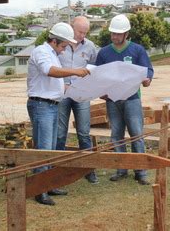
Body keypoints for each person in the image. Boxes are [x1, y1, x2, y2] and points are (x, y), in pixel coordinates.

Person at [27, 22, 90, 206]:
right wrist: (75, 72)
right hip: (41, 105)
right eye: (63, 46)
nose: (64, 51)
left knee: (52, 147)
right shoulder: (41, 52)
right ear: (54, 41)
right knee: (44, 148)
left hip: (52, 105)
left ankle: (49, 184)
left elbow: (55, 79)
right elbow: (50, 72)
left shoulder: (53, 54)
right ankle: (40, 189)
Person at [95, 14, 154, 185]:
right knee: (116, 135)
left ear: (126, 33)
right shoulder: (104, 53)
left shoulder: (137, 50)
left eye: (118, 34)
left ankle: (140, 171)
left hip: (132, 98)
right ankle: (121, 168)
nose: (115, 37)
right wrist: (100, 90)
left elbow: (148, 70)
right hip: (112, 100)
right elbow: (97, 75)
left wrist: (147, 79)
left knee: (136, 134)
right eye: (113, 33)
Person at [56, 16, 99, 184]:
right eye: (80, 31)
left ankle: (88, 169)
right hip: (62, 93)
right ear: (72, 28)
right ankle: (56, 169)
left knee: (84, 132)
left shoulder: (90, 46)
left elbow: (94, 67)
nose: (82, 35)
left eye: (85, 32)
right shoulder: (61, 45)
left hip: (81, 94)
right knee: (60, 133)